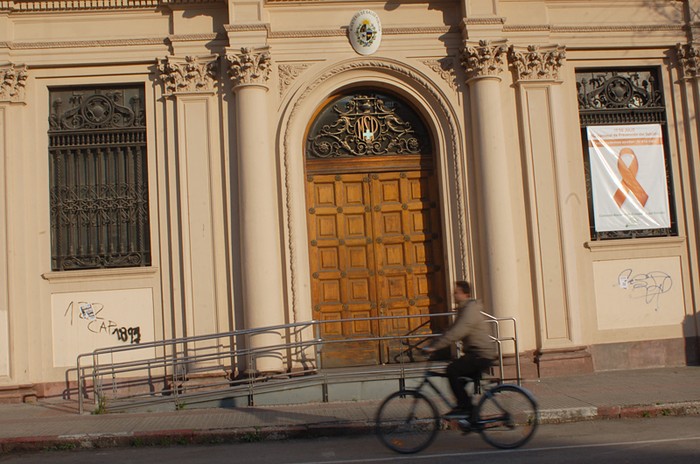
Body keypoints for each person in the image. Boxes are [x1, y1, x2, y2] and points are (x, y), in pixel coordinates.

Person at [423, 280, 497, 418]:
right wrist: (434, 343)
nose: (454, 295)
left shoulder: (469, 311)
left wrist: (434, 347)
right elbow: (450, 330)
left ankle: (465, 407)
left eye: (456, 293)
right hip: (475, 353)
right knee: (458, 376)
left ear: (466, 294)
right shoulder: (464, 309)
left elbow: (457, 332)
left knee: (452, 370)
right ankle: (469, 411)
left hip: (481, 354)